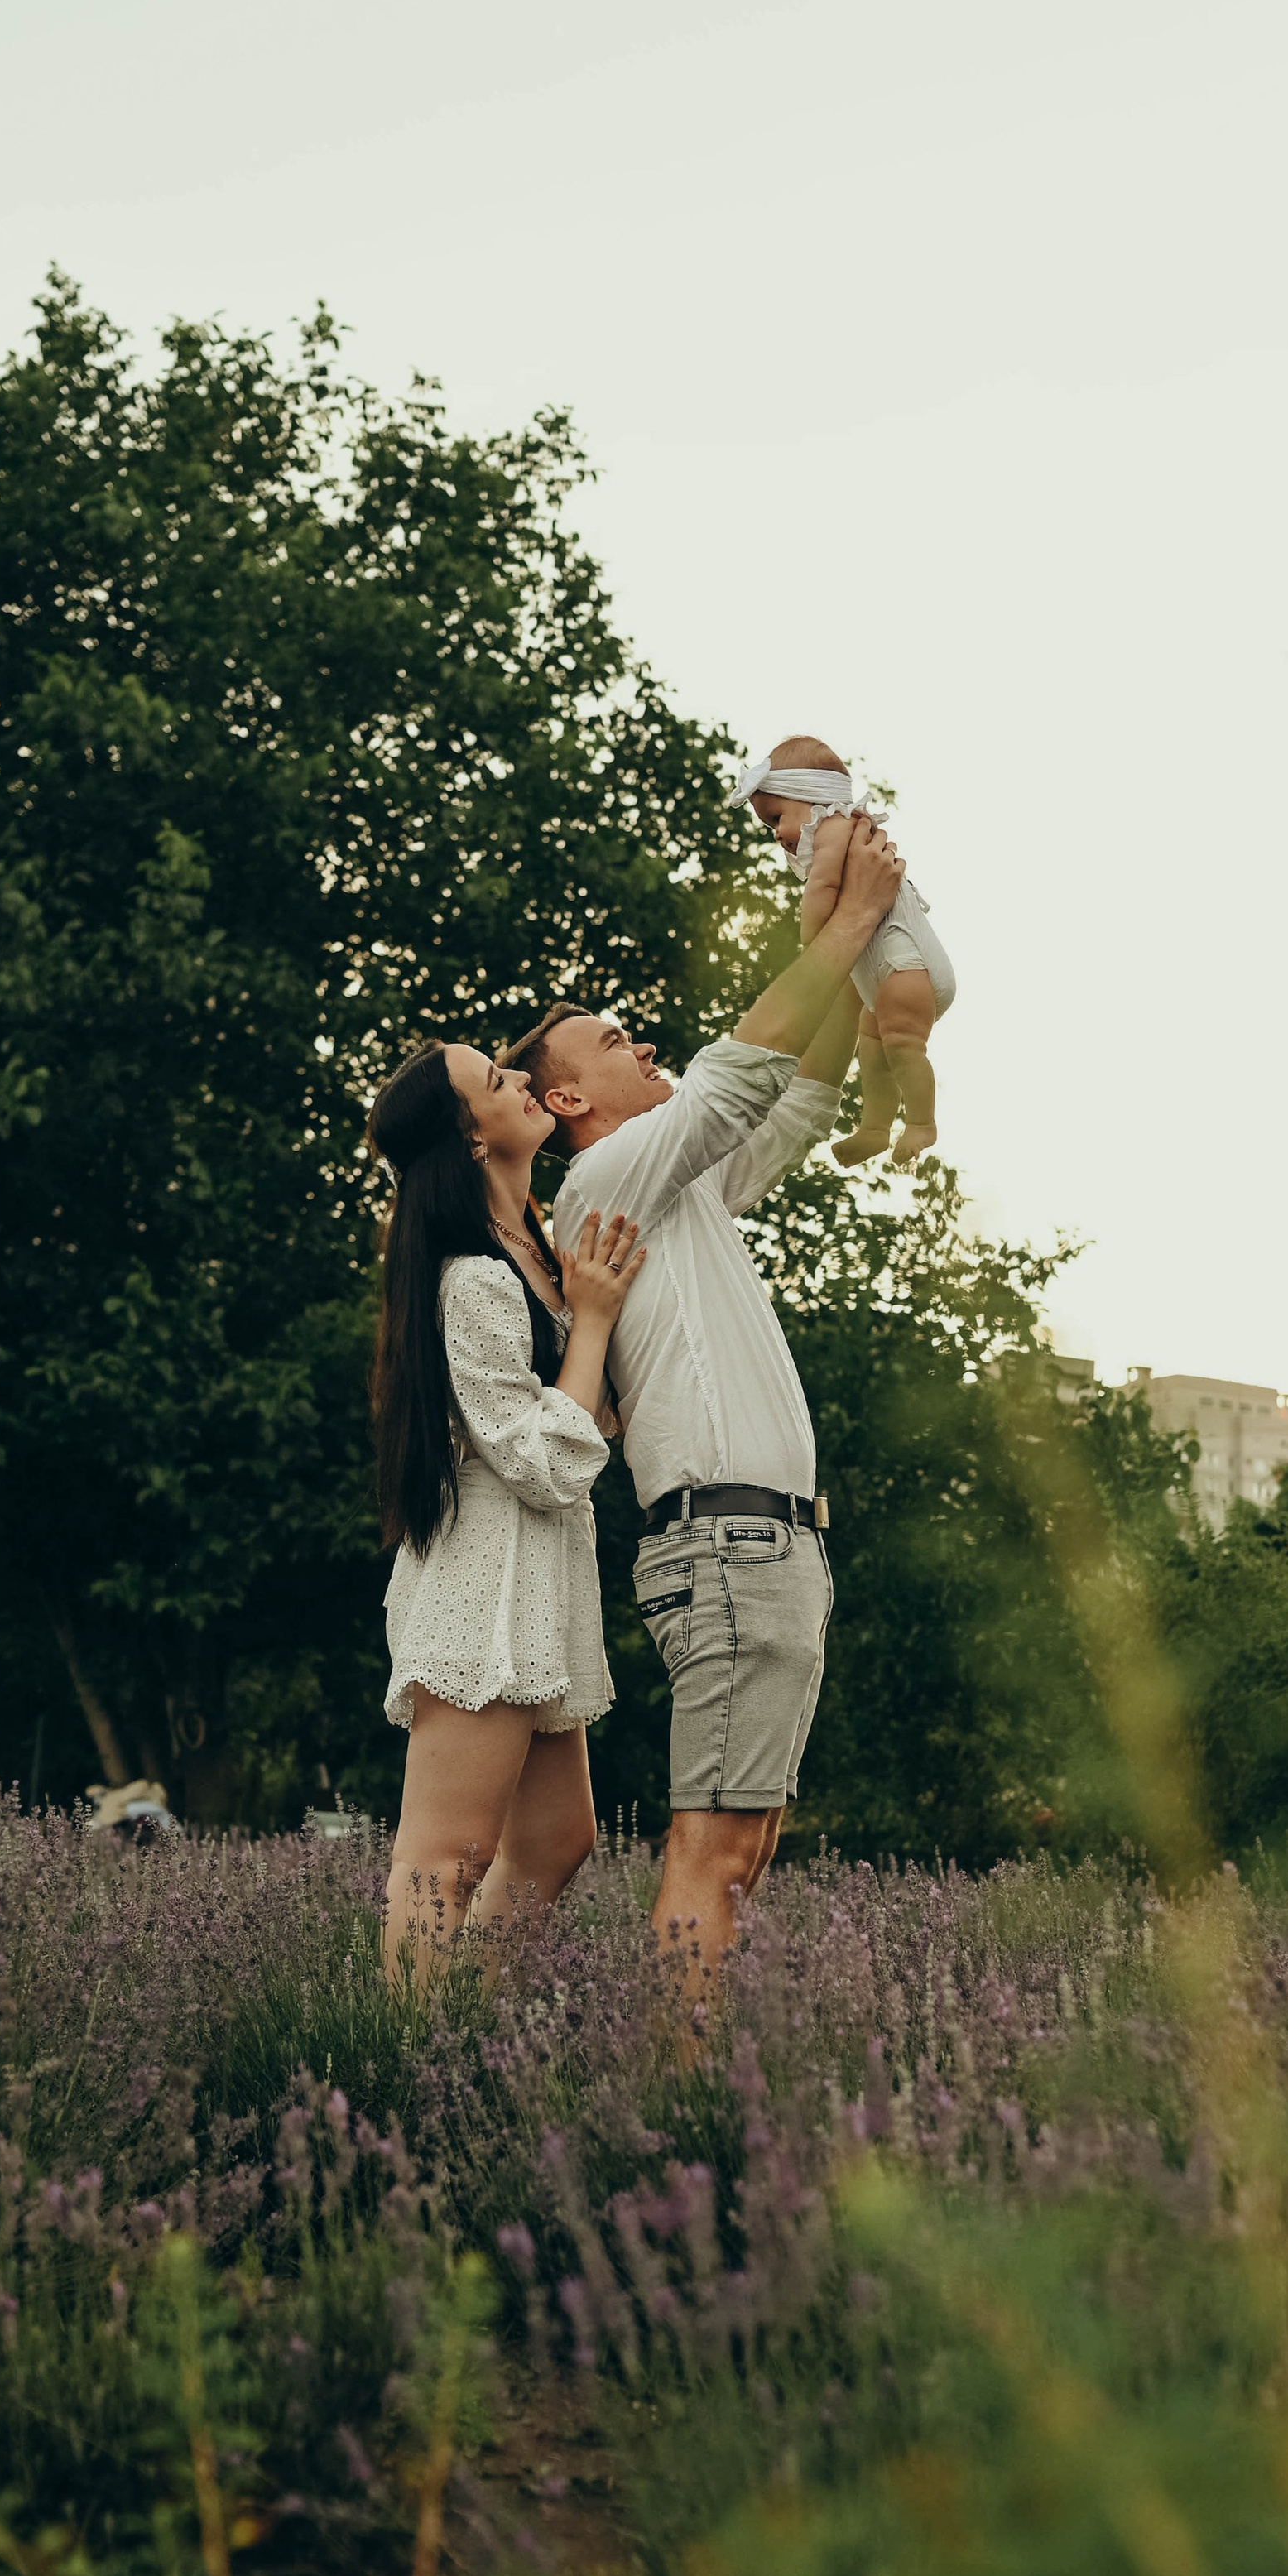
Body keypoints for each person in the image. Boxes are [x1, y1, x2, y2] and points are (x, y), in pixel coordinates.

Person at [507, 811, 906, 1982]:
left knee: (745, 1842)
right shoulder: (604, 1183)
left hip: (765, 1547)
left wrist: (838, 944)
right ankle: (683, 2114)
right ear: (570, 1103)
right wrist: (845, 922)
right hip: (728, 1543)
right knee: (715, 1849)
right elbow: (737, 1079)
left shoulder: (681, 1191)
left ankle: (694, 2094)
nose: (643, 1047)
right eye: (614, 1042)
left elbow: (797, 1093)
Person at [367, 1039, 647, 1987]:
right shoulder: (473, 1278)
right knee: (447, 1854)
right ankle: (401, 2063)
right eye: (498, 1081)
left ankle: (462, 2033)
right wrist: (596, 1321)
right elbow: (538, 1456)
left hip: (539, 1581)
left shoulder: (532, 1254)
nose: (523, 1081)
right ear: (469, 1136)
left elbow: (585, 1421)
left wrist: (587, 1319)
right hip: (484, 1584)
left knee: (559, 1839)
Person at [733, 735, 956, 1165]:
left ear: (812, 797)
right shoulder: (842, 831)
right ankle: (874, 1127)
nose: (777, 833)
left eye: (777, 817)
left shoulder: (835, 825)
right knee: (876, 1050)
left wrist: (814, 945)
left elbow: (825, 886)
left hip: (906, 965)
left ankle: (922, 1123)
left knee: (904, 1046)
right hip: (885, 975)